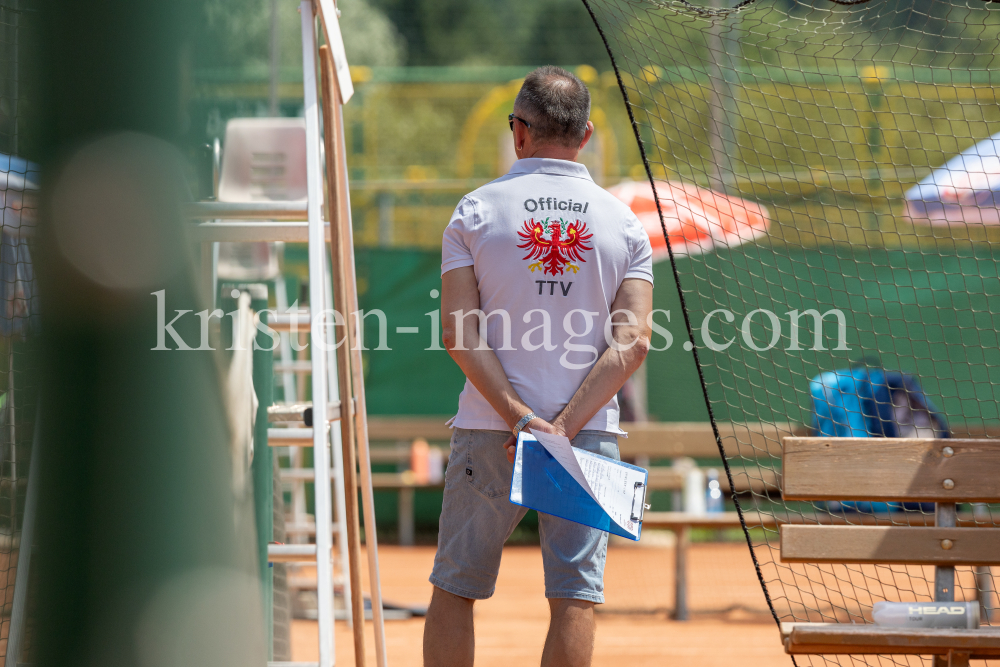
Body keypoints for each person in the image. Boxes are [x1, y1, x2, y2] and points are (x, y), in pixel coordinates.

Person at [423, 66, 654, 667]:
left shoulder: (474, 211)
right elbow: (633, 343)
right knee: (574, 599)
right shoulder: (624, 224)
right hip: (586, 438)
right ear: (587, 135)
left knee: (455, 587)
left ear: (518, 132)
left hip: (488, 430)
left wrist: (523, 421)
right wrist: (562, 429)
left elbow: (457, 332)